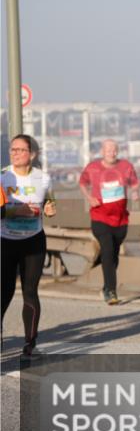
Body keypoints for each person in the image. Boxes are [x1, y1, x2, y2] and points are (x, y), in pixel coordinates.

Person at [1, 135, 56, 357]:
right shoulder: (3, 177)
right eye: (12, 149)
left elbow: (49, 202)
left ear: (32, 154)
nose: (14, 153)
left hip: (33, 240)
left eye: (20, 150)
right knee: (4, 291)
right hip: (6, 241)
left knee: (30, 292)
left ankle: (30, 342)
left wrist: (51, 209)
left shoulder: (43, 179)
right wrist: (17, 211)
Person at [79, 139, 140, 305]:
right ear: (102, 152)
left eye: (114, 150)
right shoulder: (93, 168)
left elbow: (134, 183)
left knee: (113, 256)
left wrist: (135, 192)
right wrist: (89, 198)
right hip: (100, 218)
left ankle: (106, 287)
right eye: (108, 150)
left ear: (117, 151)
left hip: (120, 220)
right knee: (107, 250)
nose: (111, 153)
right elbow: (82, 183)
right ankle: (111, 292)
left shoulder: (126, 166)